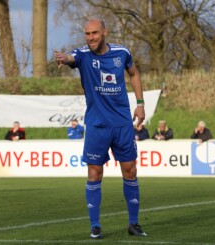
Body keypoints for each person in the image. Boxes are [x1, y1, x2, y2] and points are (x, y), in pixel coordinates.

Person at [55, 19, 147, 239]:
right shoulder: (82, 54)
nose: (90, 38)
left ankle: (134, 224)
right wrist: (64, 58)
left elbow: (134, 73)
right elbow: (70, 58)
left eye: (94, 33)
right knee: (94, 173)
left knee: (130, 171)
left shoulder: (121, 52)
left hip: (122, 123)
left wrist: (141, 104)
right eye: (87, 34)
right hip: (97, 125)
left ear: (105, 32)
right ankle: (95, 226)